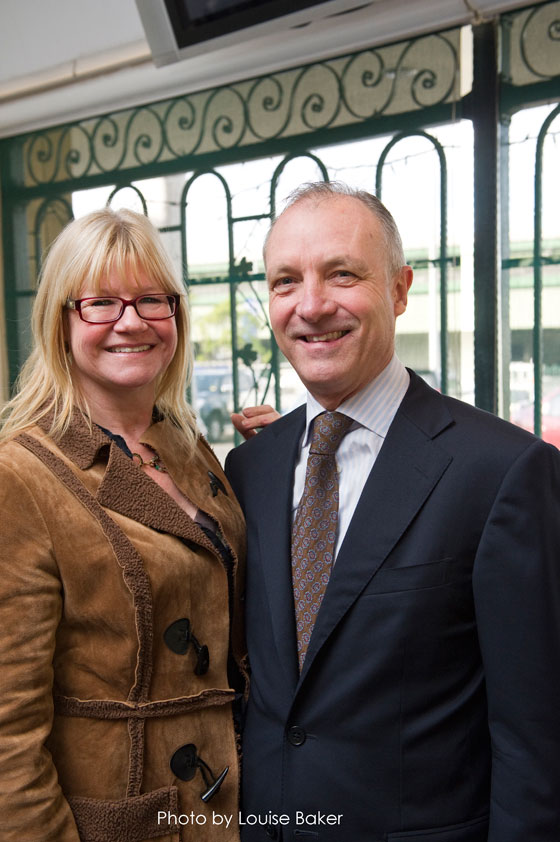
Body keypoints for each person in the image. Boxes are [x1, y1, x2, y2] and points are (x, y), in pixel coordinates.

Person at [226, 182, 560, 842]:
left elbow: (535, 738)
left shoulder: (502, 472)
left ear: (400, 290)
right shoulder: (249, 469)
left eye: (342, 274)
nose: (311, 305)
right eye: (286, 281)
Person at [0, 208, 247, 842]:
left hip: (231, 809)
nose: (131, 321)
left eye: (150, 300)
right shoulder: (18, 476)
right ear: (60, 321)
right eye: (100, 303)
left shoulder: (188, 444)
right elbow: (7, 736)